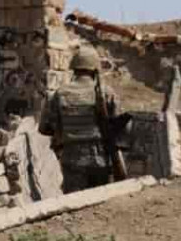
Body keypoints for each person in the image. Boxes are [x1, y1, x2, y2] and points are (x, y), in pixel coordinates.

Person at [39, 49, 121, 193]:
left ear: (74, 68)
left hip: (71, 158)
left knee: (73, 202)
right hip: (100, 159)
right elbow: (120, 128)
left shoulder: (60, 93)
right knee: (100, 201)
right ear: (95, 69)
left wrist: (64, 130)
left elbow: (44, 128)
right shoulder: (107, 93)